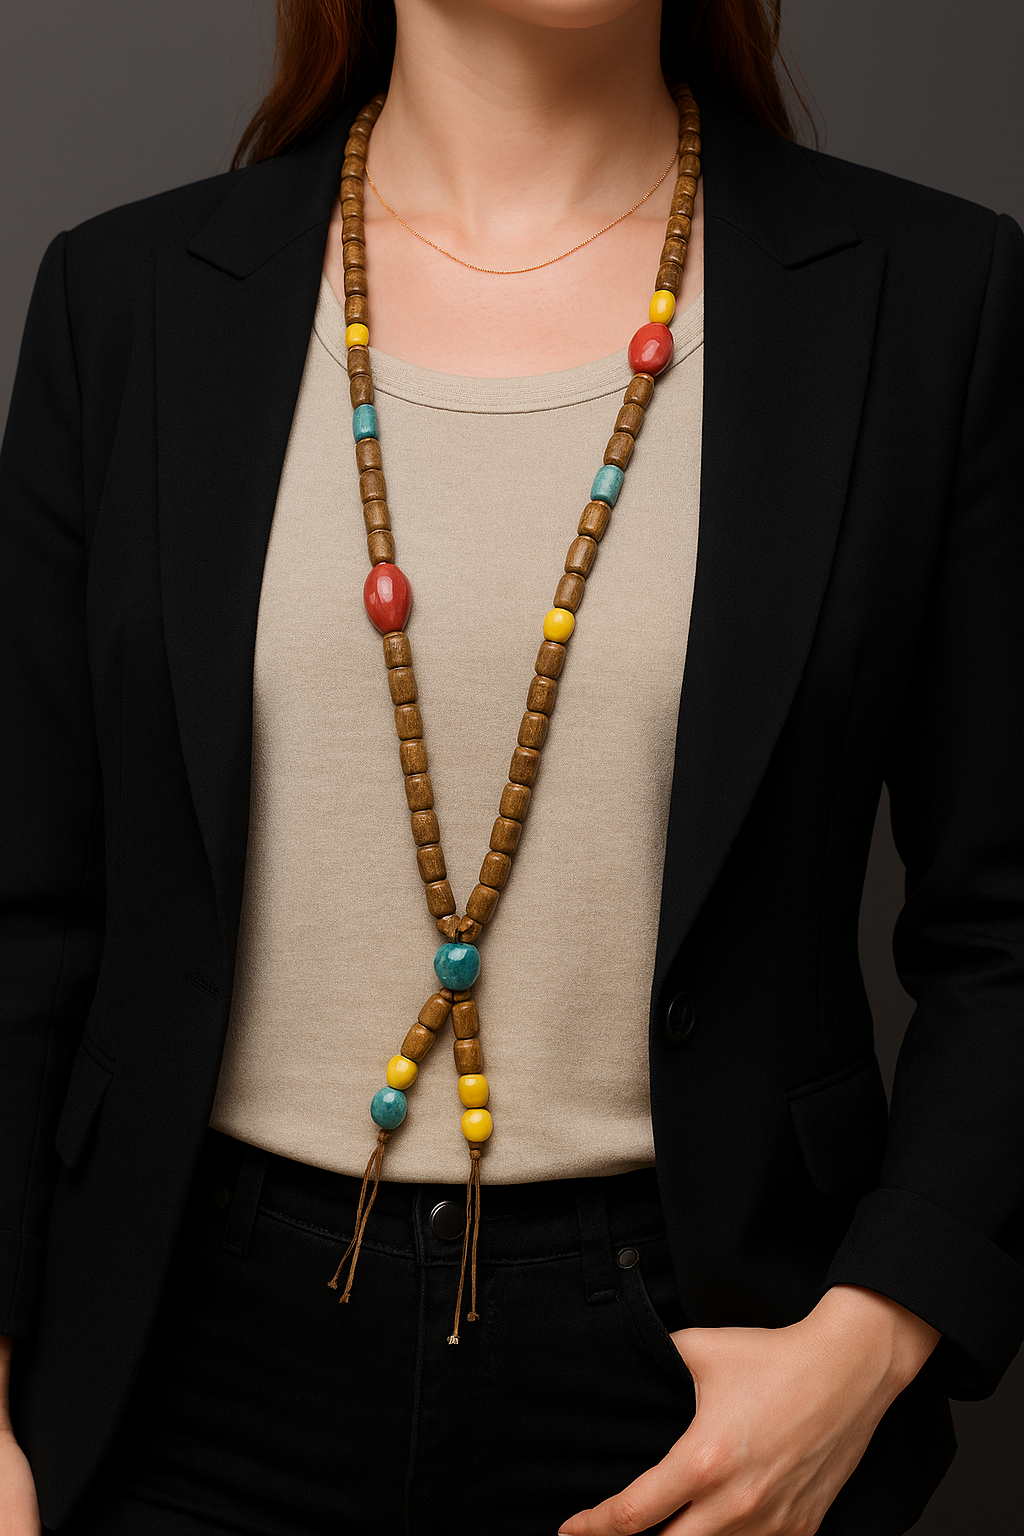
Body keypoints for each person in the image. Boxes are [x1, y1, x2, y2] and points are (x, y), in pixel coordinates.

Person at [1, 0, 1022, 1531]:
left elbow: (1008, 924)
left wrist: (869, 1343)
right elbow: (23, 908)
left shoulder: (933, 295)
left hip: (694, 1385)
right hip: (179, 1375)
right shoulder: (124, 300)